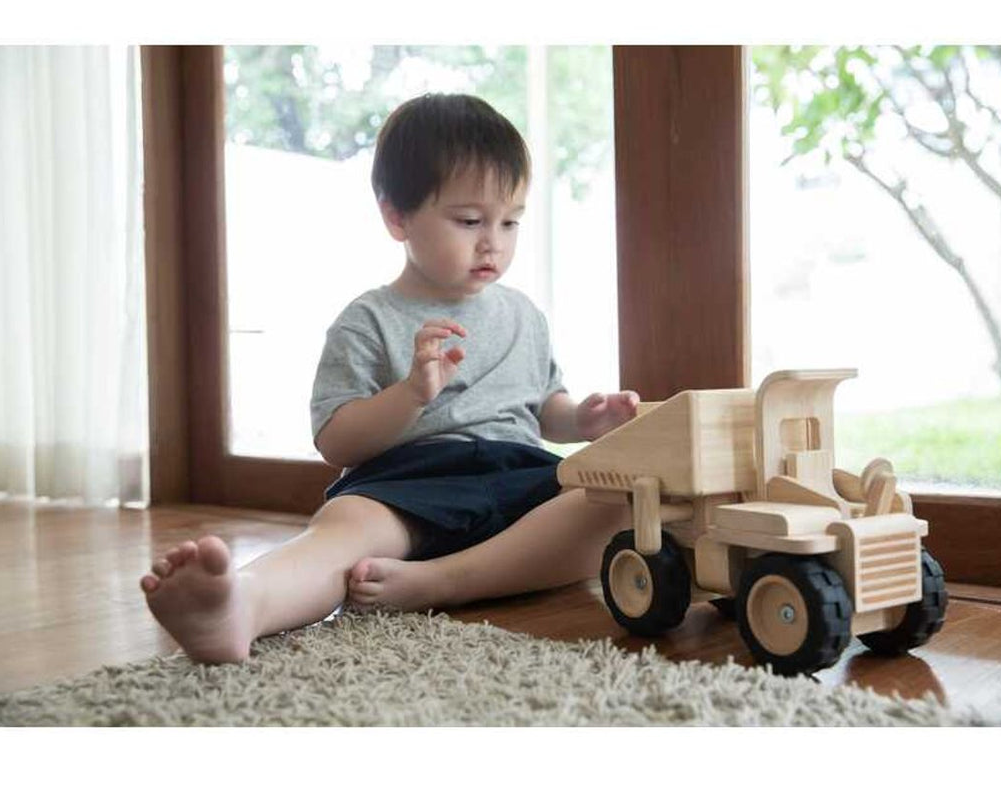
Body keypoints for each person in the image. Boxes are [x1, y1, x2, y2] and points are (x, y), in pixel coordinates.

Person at [140, 93, 639, 664]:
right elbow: (336, 441)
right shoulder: (368, 320)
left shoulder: (524, 314)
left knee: (621, 498)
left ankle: (442, 581)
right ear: (396, 217)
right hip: (409, 484)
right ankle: (239, 606)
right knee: (341, 532)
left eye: (510, 222)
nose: (492, 242)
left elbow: (544, 404)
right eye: (470, 220)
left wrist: (582, 420)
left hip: (520, 477)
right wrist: (410, 396)